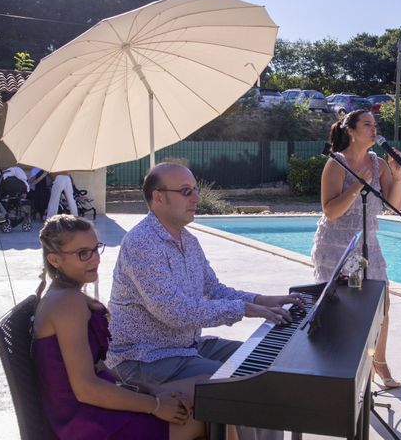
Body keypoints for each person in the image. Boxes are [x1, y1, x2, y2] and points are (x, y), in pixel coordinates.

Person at [107, 162, 301, 438]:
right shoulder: (142, 244)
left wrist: (266, 300)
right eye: (186, 191)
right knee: (242, 388)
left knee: (263, 367)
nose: (196, 198)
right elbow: (175, 312)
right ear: (158, 197)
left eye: (195, 190)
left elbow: (214, 289)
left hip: (186, 346)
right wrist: (247, 309)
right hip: (145, 358)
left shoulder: (188, 241)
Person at [32, 214, 206, 440]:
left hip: (95, 411)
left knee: (208, 388)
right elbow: (86, 389)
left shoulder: (67, 296)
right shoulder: (67, 303)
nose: (95, 260)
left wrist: (151, 390)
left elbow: (100, 368)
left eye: (96, 249)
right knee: (214, 409)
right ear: (55, 260)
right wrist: (154, 405)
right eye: (83, 254)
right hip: (89, 425)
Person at [311, 110, 401, 389]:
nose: (373, 129)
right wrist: (355, 187)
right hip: (339, 246)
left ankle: (380, 363)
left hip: (368, 245)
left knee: (381, 304)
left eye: (375, 125)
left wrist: (397, 176)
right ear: (351, 131)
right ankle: (340, 365)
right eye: (367, 124)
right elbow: (330, 211)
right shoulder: (336, 164)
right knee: (343, 305)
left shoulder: (379, 164)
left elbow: (394, 207)